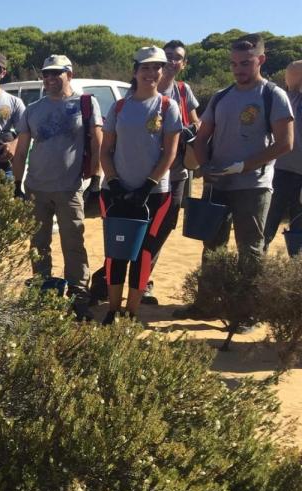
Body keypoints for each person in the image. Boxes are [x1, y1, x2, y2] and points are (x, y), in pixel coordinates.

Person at [176, 34, 295, 324]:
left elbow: (285, 143)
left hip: (253, 187)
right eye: (233, 64)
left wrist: (243, 166)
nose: (238, 69)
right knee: (212, 245)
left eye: (245, 63)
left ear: (261, 60)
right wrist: (206, 166)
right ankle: (206, 304)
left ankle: (246, 313)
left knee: (250, 250)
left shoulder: (272, 95)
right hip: (218, 184)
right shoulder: (221, 96)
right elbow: (202, 138)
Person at [13, 55, 102, 321]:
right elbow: (21, 150)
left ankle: (78, 298)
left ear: (69, 75)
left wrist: (96, 178)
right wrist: (17, 184)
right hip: (36, 187)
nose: (50, 79)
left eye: (56, 74)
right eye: (46, 74)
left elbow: (97, 141)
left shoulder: (85, 104)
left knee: (73, 242)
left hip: (69, 187)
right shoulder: (34, 109)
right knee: (38, 244)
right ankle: (44, 292)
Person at [99, 47, 182, 324]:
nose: (151, 73)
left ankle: (131, 313)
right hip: (116, 192)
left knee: (143, 253)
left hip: (154, 195)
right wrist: (114, 183)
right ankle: (113, 309)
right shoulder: (119, 107)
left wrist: (147, 185)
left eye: (156, 67)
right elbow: (106, 149)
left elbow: (170, 153)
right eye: (145, 67)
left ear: (163, 71)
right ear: (135, 71)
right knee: (116, 251)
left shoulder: (168, 107)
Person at [136, 40, 202, 305]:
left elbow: (197, 124)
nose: (174, 62)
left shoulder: (184, 92)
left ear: (183, 64)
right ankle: (128, 279)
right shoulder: (140, 91)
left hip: (175, 175)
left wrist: (190, 131)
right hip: (141, 175)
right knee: (137, 227)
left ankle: (143, 281)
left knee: (162, 228)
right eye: (170, 57)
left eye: (179, 58)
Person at [263, 60, 302, 250]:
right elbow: (294, 70)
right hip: (279, 171)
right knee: (265, 228)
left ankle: (294, 277)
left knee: (299, 233)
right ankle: (254, 272)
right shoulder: (290, 97)